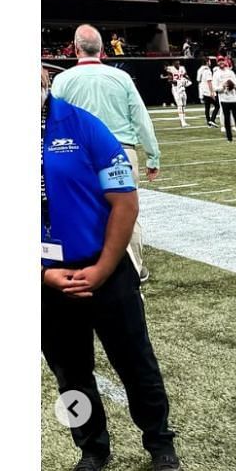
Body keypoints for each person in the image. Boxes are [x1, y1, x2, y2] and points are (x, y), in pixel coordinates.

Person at [42, 68, 182, 471]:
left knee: (136, 363)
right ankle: (89, 447)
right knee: (68, 375)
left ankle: (160, 442)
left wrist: (103, 268)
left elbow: (125, 203)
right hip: (47, 281)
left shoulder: (85, 126)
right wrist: (42, 272)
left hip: (106, 271)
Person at [50, 25, 162, 281]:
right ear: (102, 49)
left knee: (81, 211)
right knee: (126, 213)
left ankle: (85, 265)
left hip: (77, 156)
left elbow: (52, 122)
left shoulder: (63, 80)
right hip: (119, 154)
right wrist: (153, 155)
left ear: (76, 48)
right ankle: (133, 271)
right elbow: (141, 118)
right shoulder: (121, 78)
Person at [213, 55, 236, 141]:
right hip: (223, 98)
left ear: (224, 61)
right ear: (217, 62)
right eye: (219, 61)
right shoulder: (216, 74)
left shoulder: (230, 72)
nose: (221, 62)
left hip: (233, 98)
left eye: (222, 60)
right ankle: (227, 134)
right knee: (225, 115)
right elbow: (215, 88)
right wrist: (223, 86)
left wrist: (231, 85)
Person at [163, 61, 191, 127]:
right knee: (180, 105)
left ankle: (184, 121)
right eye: (176, 64)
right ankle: (182, 122)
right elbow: (170, 80)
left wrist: (187, 81)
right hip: (176, 89)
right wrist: (179, 82)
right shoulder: (171, 69)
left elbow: (186, 76)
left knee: (184, 105)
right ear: (173, 64)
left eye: (178, 63)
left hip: (182, 88)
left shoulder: (182, 68)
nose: (178, 65)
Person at [196, 55, 218, 126]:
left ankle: (209, 122)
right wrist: (212, 92)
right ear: (207, 62)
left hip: (203, 90)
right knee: (217, 106)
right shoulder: (207, 71)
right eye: (209, 61)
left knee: (207, 107)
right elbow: (209, 82)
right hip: (208, 90)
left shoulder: (200, 69)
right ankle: (212, 120)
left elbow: (198, 80)